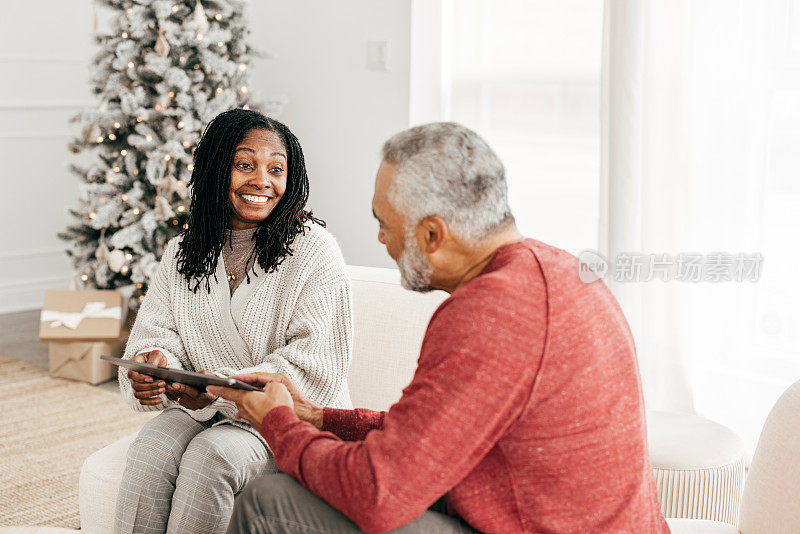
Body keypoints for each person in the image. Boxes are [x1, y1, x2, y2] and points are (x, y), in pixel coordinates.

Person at [209, 122, 669, 533]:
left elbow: (378, 495)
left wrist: (280, 425)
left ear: (432, 235)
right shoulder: (557, 268)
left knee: (269, 504)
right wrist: (319, 418)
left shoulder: (489, 314)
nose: (380, 239)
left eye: (385, 225)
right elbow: (435, 435)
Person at [115, 109, 353, 534]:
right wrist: (156, 367)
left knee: (214, 455)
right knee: (150, 448)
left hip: (286, 417)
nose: (262, 181)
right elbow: (156, 335)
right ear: (214, 170)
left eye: (276, 169)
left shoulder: (316, 251)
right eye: (245, 165)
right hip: (206, 407)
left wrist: (213, 387)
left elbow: (313, 368)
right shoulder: (183, 252)